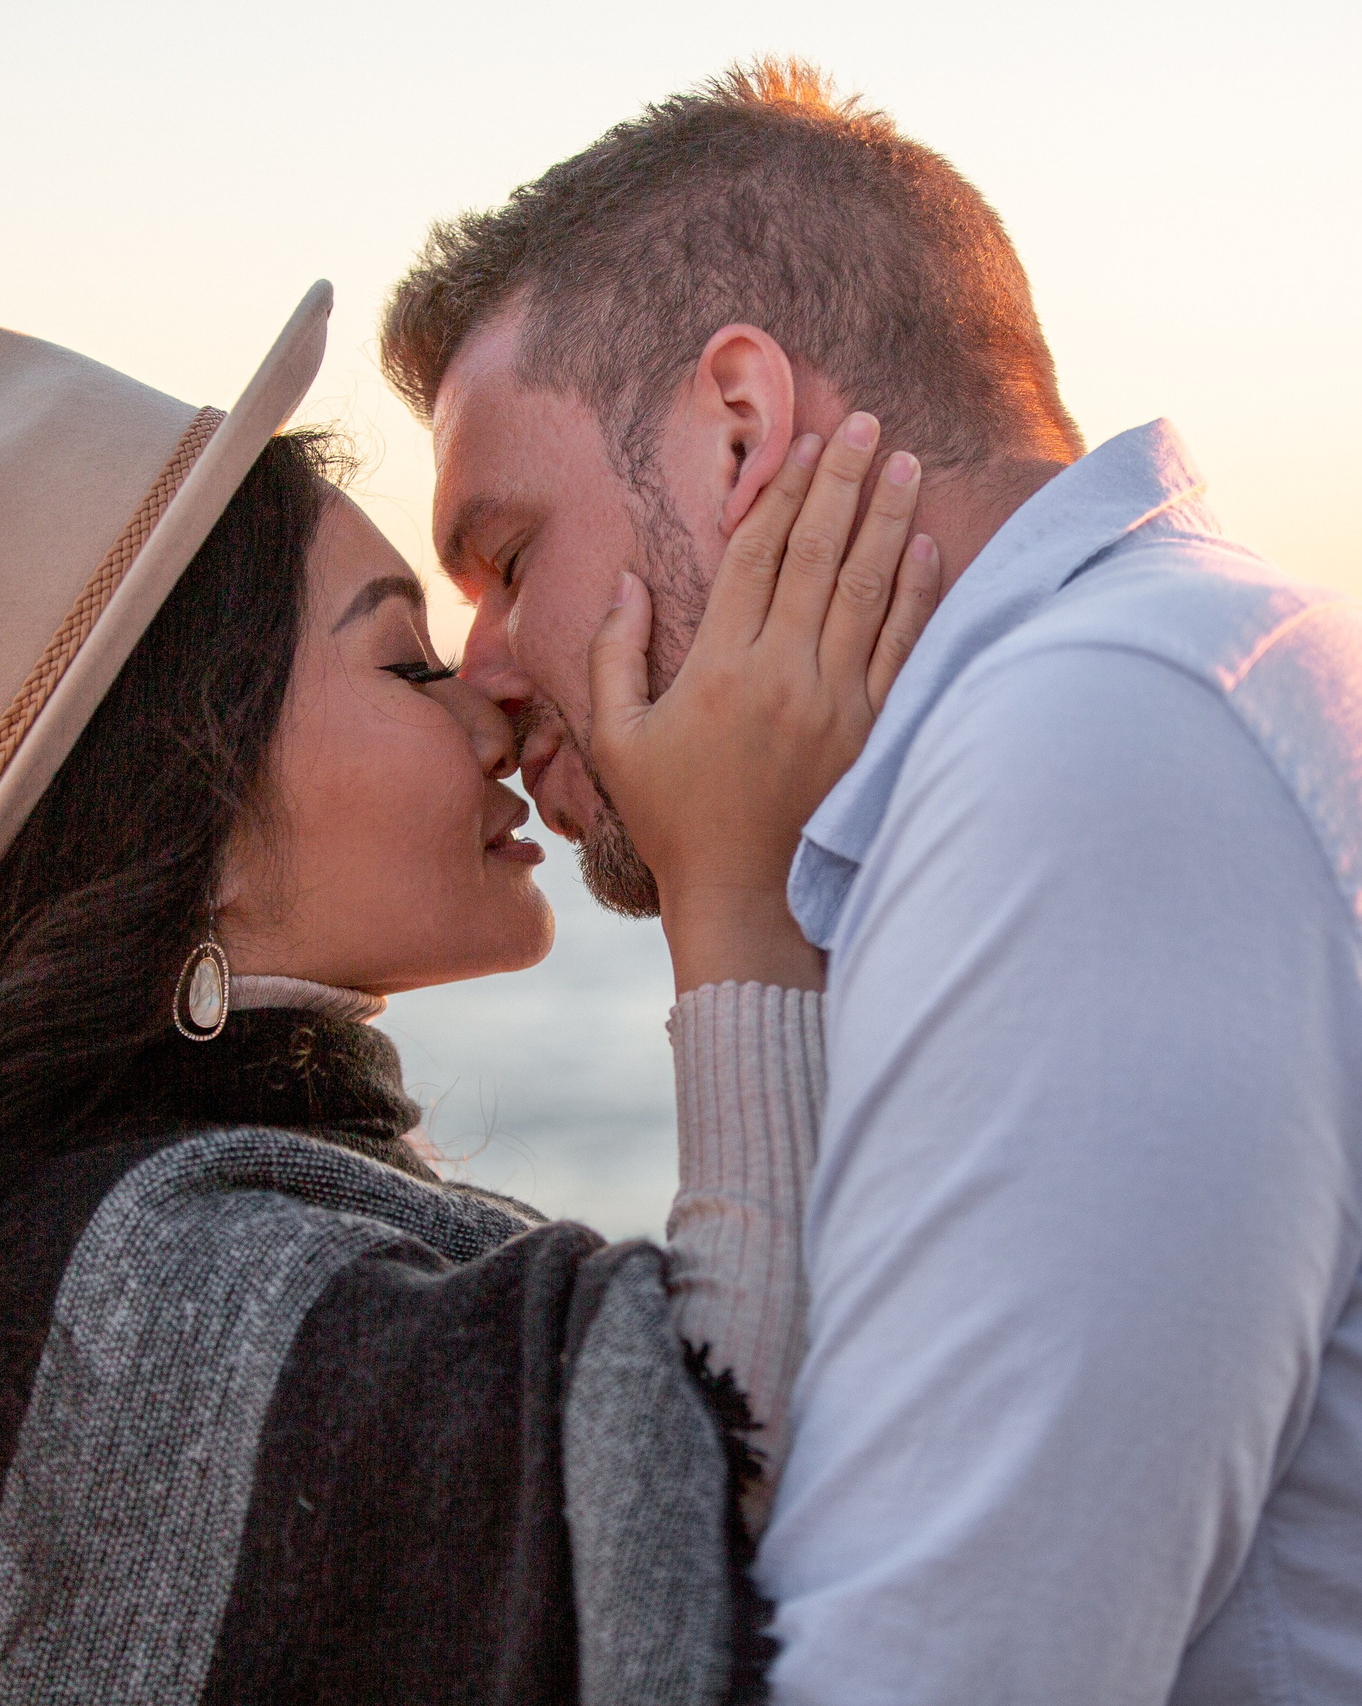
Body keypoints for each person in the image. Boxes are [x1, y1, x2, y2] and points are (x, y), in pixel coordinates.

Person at [0, 286, 929, 1703]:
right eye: (405, 661)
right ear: (187, 804)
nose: (493, 699)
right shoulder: (150, 1299)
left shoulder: (24, 1252)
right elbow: (734, 1480)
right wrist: (739, 895)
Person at [379, 55, 1362, 1706]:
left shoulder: (1090, 753)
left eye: (510, 557)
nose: (483, 665)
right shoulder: (1161, 680)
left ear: (738, 429)